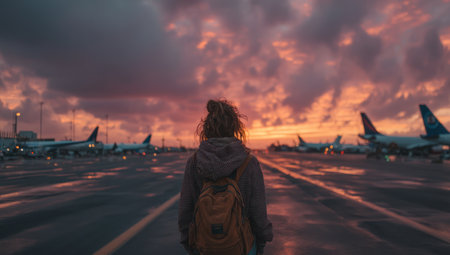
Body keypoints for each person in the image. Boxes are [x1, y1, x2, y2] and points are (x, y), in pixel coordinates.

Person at [178, 99, 273, 255]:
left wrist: (188, 243)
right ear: (235, 127)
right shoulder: (249, 162)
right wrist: (261, 241)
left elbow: (185, 210)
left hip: (204, 245)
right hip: (241, 246)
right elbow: (258, 213)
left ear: (206, 128)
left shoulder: (194, 162)